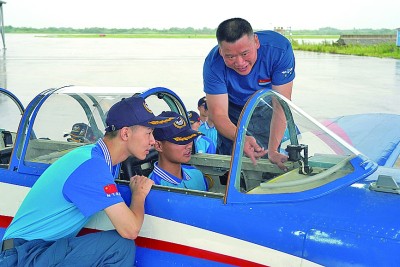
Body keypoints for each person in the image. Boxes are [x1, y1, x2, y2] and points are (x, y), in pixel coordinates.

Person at [0, 96, 176, 266]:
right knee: (119, 247)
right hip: (24, 256)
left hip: (34, 251)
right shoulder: (92, 165)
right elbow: (130, 230)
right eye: (148, 133)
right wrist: (139, 194)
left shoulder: (97, 157)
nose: (153, 141)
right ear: (125, 133)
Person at [203, 17, 295, 170]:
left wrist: (272, 150)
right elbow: (218, 115)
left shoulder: (279, 50)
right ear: (221, 51)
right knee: (230, 163)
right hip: (231, 110)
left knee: (267, 160)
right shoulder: (213, 64)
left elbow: (281, 105)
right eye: (230, 56)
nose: (239, 62)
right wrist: (240, 138)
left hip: (266, 106)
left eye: (245, 54)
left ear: (256, 42)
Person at [149, 111, 209, 191]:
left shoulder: (197, 175)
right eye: (181, 142)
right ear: (158, 146)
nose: (189, 146)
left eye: (190, 139)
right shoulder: (153, 187)